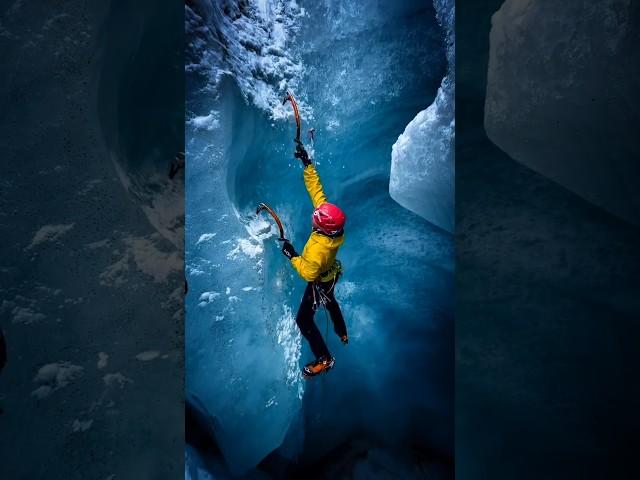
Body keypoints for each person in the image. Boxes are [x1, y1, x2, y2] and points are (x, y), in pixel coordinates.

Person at [281, 144, 348, 378]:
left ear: (323, 228)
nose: (314, 216)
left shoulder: (320, 248)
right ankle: (342, 331)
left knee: (303, 320)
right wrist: (307, 164)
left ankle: (325, 358)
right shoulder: (330, 226)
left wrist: (292, 256)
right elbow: (317, 192)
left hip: (319, 280)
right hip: (331, 275)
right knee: (331, 302)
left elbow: (308, 273)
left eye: (316, 219)